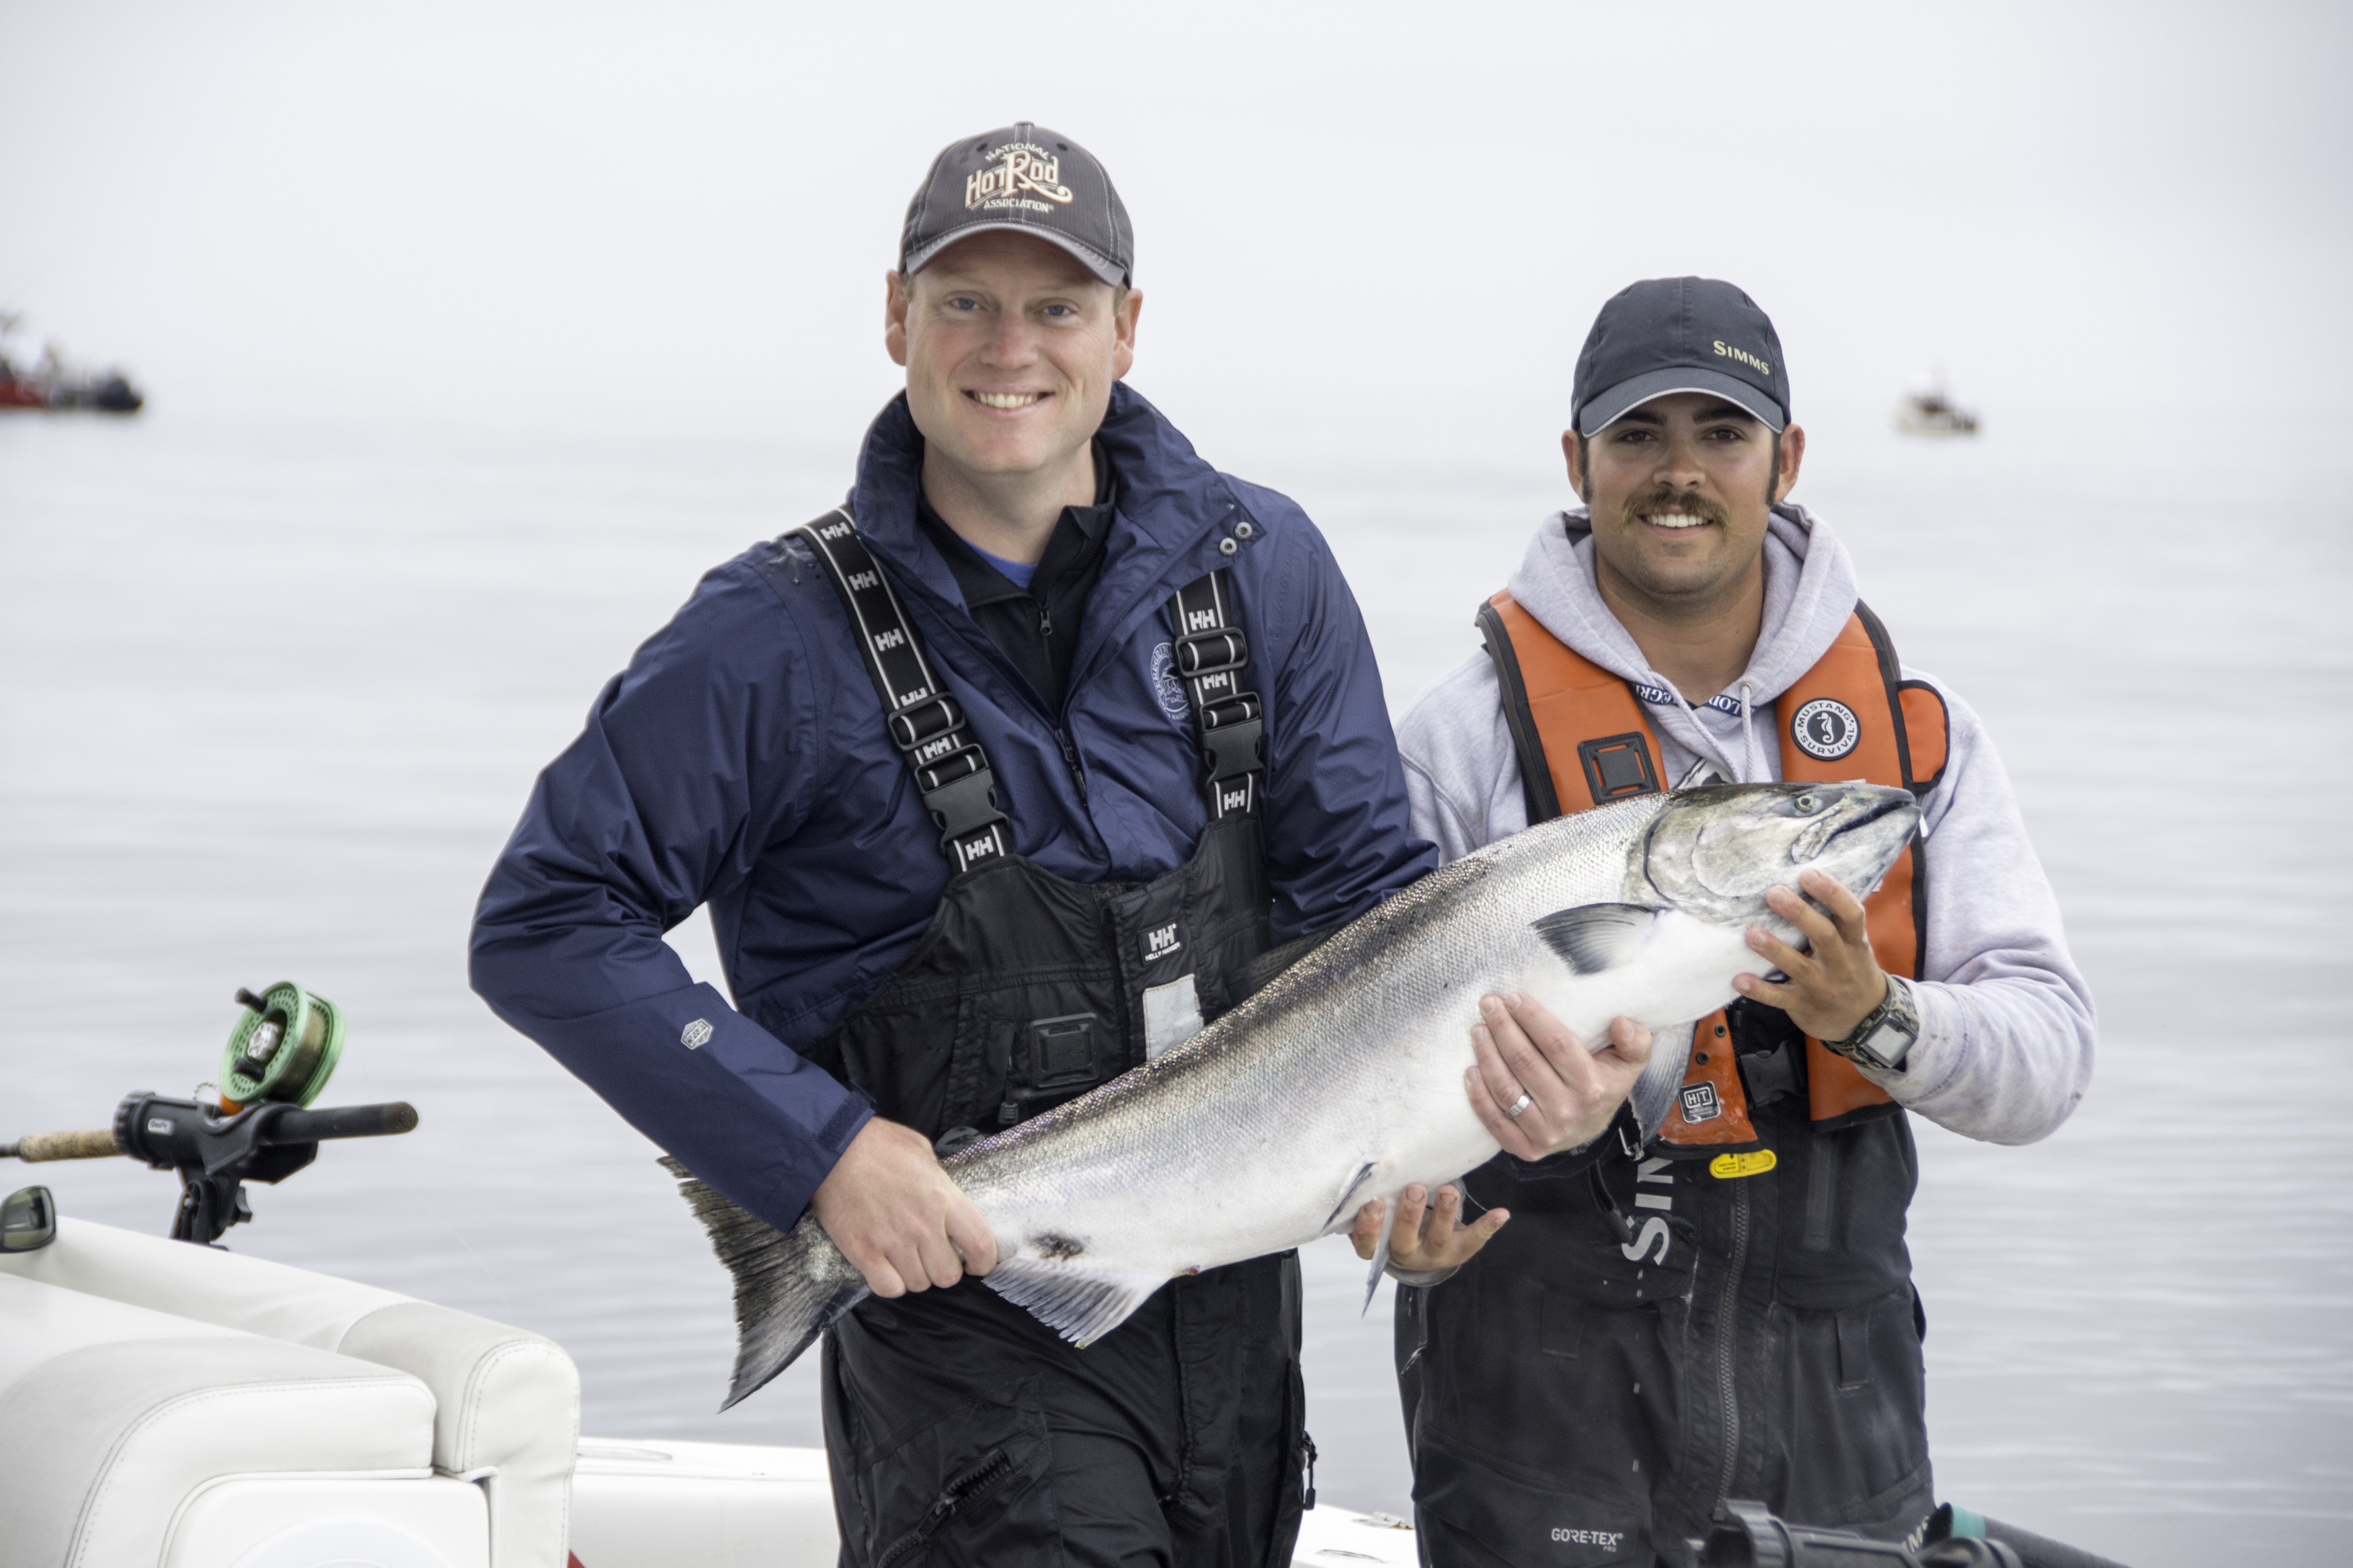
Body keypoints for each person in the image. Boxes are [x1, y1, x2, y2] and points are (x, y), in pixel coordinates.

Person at [470, 123, 1443, 1568]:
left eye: (1055, 305)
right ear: (894, 319)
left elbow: (1380, 912)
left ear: (1125, 329)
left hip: (1234, 1331)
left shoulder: (1262, 570)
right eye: (963, 300)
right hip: (961, 1358)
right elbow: (546, 923)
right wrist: (822, 1156)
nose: (1011, 347)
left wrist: (1429, 1147)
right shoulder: (767, 639)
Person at [1355, 277, 2096, 1566]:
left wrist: (1876, 1017)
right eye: (1638, 434)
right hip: (1534, 1405)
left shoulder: (1918, 745)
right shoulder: (1457, 740)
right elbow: (1361, 1057)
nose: (1679, 472)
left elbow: (2048, 1064)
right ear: (1578, 461)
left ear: (1787, 458)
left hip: (1840, 1401)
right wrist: (1398, 1228)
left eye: (1723, 432)